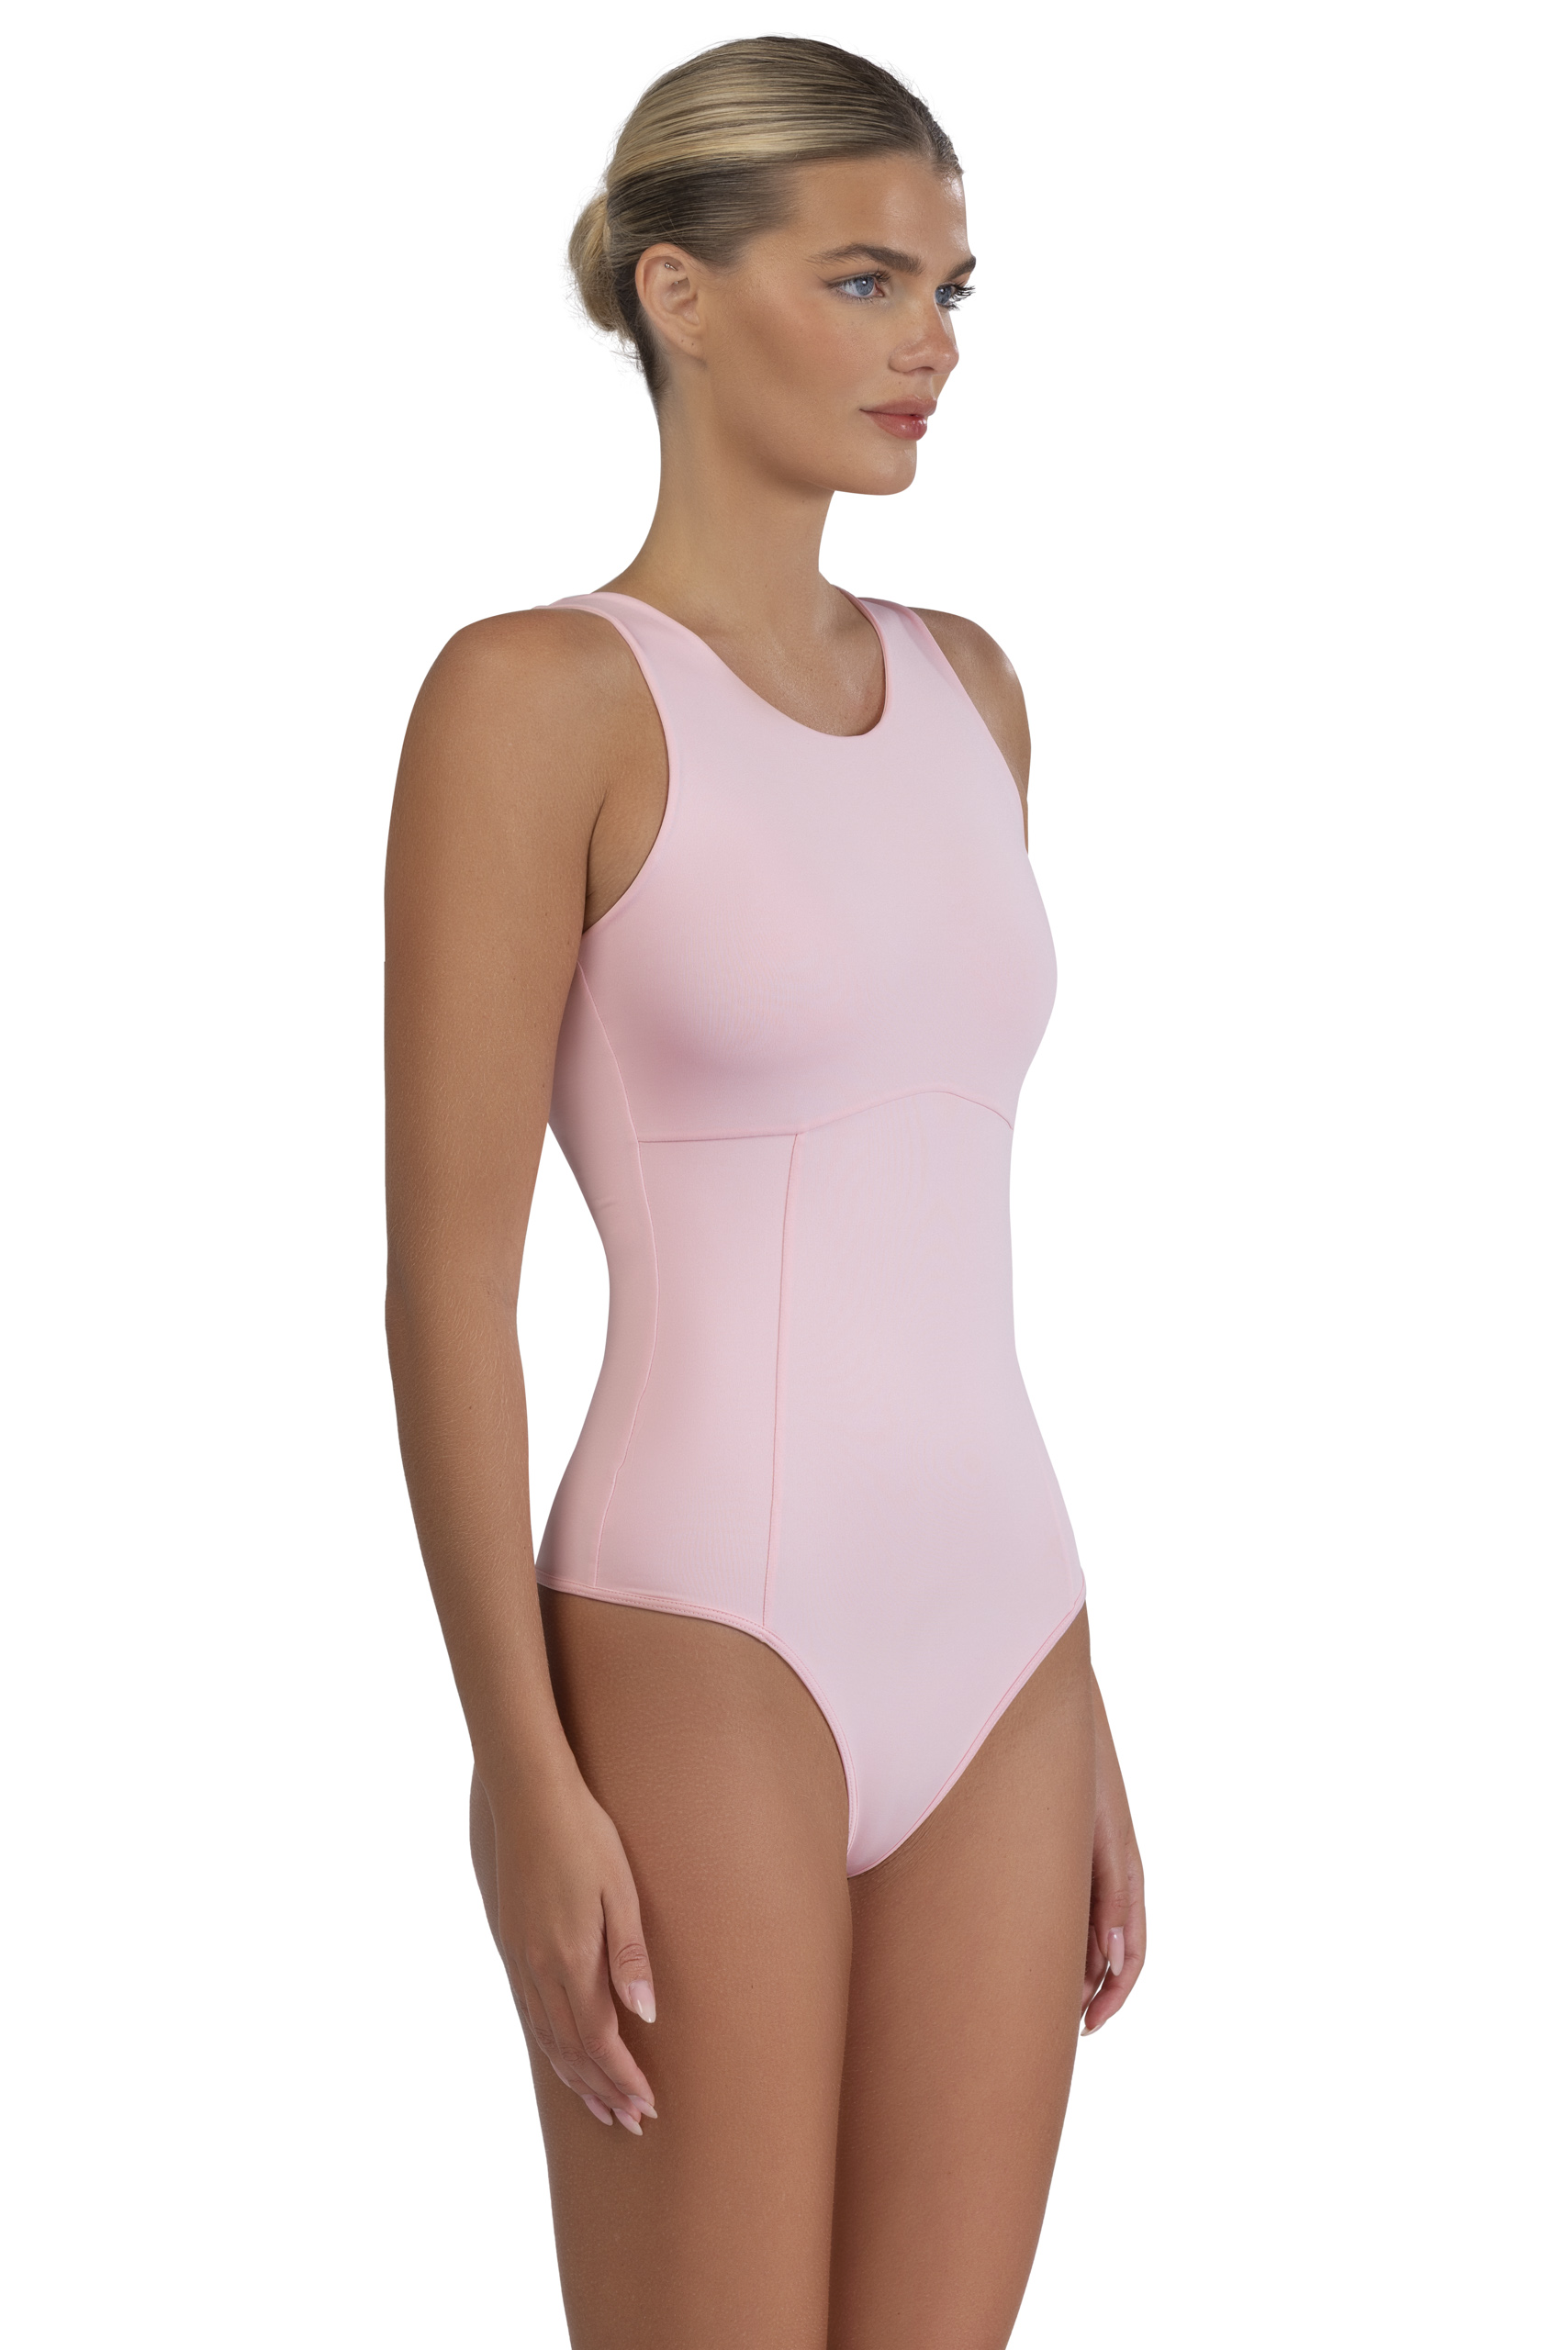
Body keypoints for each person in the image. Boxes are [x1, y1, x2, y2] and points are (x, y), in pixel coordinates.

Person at [384, 35, 1146, 2348]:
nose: (932, 343)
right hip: (700, 1630)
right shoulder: (535, 696)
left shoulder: (971, 690)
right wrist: (517, 1765)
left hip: (1008, 1631)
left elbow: (944, 1226)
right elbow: (445, 1285)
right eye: (863, 277)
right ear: (677, 293)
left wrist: (1086, 1705)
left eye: (949, 285)